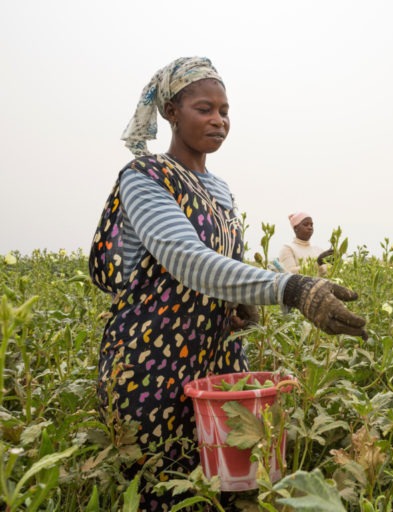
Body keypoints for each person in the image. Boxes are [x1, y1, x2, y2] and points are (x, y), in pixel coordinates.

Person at [88, 57, 367, 511]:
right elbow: (187, 259)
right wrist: (292, 289)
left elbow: (226, 263)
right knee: (163, 489)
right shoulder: (144, 177)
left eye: (224, 110)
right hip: (151, 363)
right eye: (204, 109)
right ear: (171, 112)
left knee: (226, 487)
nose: (219, 120)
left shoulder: (219, 189)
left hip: (215, 357)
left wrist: (240, 302)